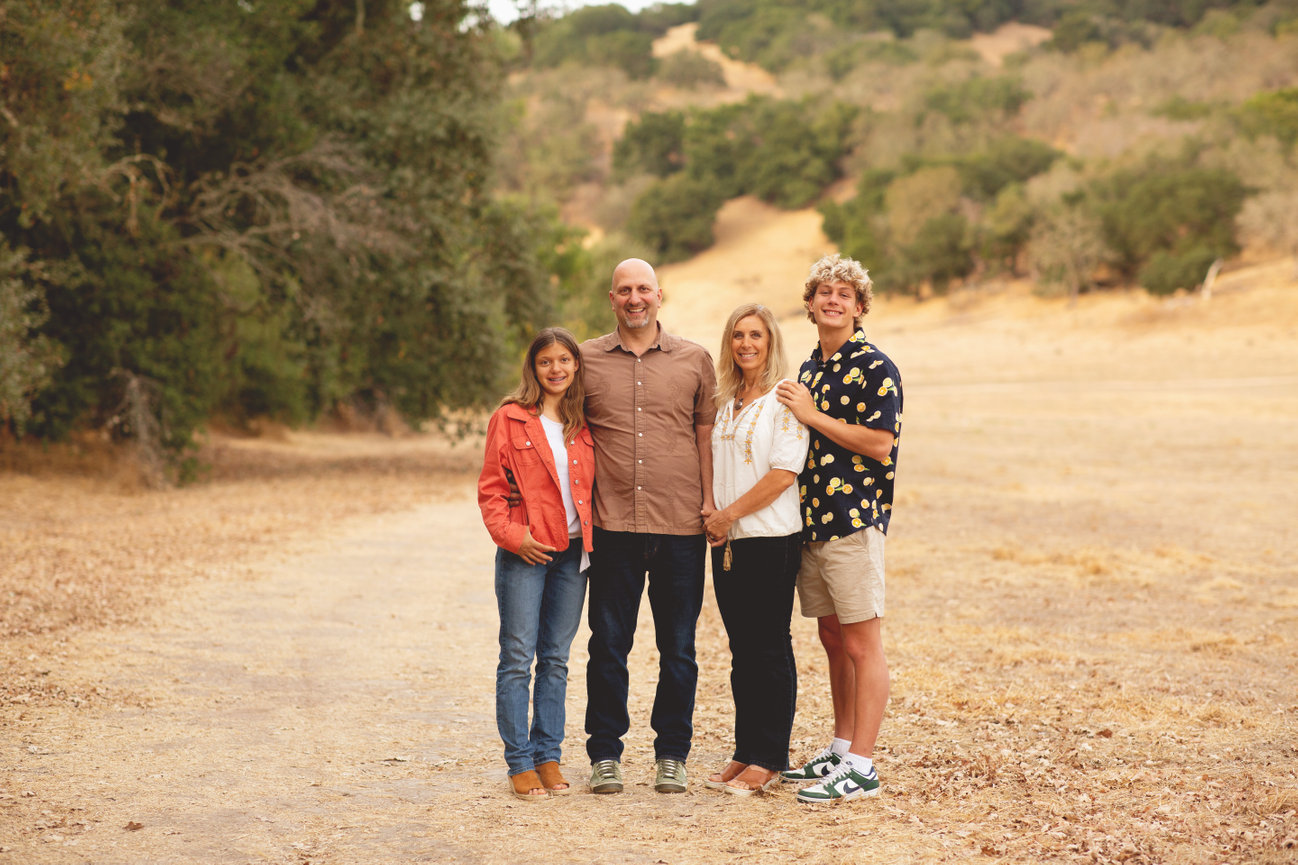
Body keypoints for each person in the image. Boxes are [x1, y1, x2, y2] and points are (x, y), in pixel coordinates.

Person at [581, 258, 717, 795]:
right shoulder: (586, 360)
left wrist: (710, 505)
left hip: (680, 527)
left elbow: (705, 437)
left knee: (678, 648)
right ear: (610, 298)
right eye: (623, 290)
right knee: (608, 644)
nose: (634, 298)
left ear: (660, 295)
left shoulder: (695, 360)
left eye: (643, 289)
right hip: (612, 525)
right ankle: (605, 754)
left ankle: (672, 754)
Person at [774, 253, 903, 804]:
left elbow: (879, 444)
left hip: (854, 521)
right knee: (832, 639)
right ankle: (841, 745)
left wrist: (812, 416)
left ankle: (863, 767)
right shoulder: (809, 369)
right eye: (824, 292)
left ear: (859, 306)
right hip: (811, 524)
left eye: (844, 294)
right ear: (809, 304)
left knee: (862, 641)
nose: (833, 300)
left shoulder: (877, 367)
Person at [478, 327, 595, 801]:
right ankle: (519, 762)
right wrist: (514, 538)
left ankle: (548, 755)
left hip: (572, 555)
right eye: (546, 361)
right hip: (526, 552)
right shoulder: (509, 418)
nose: (556, 369)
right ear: (534, 367)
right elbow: (490, 490)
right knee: (517, 658)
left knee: (557, 659)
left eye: (565, 360)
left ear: (576, 366)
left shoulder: (583, 422)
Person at [700, 304, 808, 797]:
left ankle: (771, 756)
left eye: (756, 336)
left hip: (769, 538)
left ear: (770, 342)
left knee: (768, 645)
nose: (747, 344)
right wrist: (717, 518)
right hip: (729, 544)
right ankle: (746, 750)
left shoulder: (784, 399)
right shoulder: (727, 403)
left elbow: (784, 474)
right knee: (741, 650)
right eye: (738, 335)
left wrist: (728, 514)